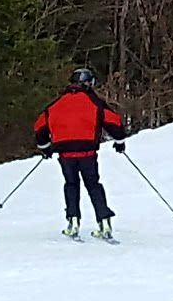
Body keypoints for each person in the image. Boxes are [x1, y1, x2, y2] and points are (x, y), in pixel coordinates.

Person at [38, 67, 131, 240]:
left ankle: (73, 222)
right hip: (87, 152)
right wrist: (119, 141)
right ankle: (104, 222)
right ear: (87, 83)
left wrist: (45, 147)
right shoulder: (93, 101)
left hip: (66, 154)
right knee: (93, 185)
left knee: (71, 185)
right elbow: (113, 120)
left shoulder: (57, 103)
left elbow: (40, 125)